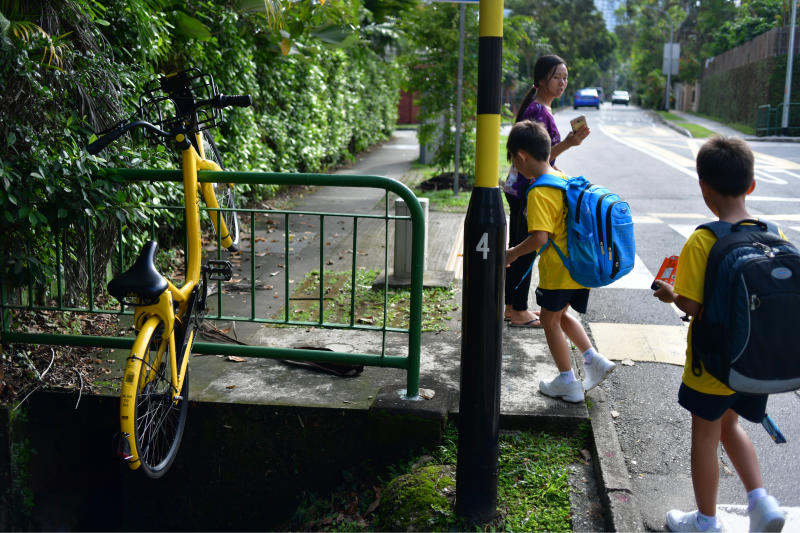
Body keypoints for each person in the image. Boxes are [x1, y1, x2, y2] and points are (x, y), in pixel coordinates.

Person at [652, 136, 785, 533]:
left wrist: (669, 294)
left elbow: (691, 306)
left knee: (706, 437)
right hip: (752, 360)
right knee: (732, 426)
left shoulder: (703, 240)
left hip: (711, 364)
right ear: (752, 185)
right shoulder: (774, 232)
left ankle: (706, 521)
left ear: (703, 187)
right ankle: (761, 502)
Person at [505, 120, 615, 403]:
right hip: (579, 266)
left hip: (558, 271)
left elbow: (540, 238)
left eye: (515, 164)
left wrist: (513, 253)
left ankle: (567, 380)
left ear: (521, 157)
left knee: (548, 320)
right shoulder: (564, 178)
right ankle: (593, 359)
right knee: (562, 315)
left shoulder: (539, 191)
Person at [503, 54, 590, 328]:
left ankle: (513, 307)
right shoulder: (538, 111)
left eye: (565, 77)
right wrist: (568, 144)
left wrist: (569, 143)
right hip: (526, 188)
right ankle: (516, 310)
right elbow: (538, 158)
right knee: (523, 249)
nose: (562, 82)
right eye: (556, 77)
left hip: (527, 187)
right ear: (541, 80)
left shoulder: (544, 109)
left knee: (522, 247)